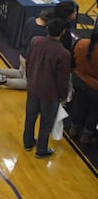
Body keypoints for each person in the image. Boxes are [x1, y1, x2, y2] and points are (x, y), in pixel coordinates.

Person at [23, 18, 70, 159]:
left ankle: (28, 142)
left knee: (30, 117)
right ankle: (41, 149)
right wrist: (63, 96)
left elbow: (29, 61)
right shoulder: (63, 53)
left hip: (33, 86)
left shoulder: (35, 41)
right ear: (62, 32)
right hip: (50, 94)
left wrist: (29, 78)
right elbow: (63, 79)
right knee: (46, 122)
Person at [68, 27, 98, 145]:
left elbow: (72, 61)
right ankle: (87, 133)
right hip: (95, 88)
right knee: (95, 110)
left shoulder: (81, 43)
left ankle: (73, 128)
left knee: (79, 103)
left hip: (79, 81)